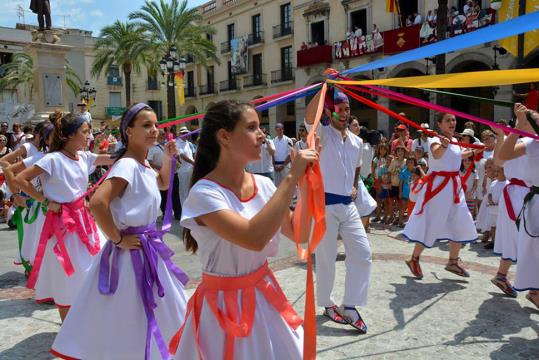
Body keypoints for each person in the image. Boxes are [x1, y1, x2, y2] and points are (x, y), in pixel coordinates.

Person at [170, 101, 317, 359]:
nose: (262, 135)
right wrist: (293, 176)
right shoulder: (204, 193)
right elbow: (253, 238)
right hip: (221, 309)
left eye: (260, 127)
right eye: (252, 128)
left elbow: (299, 234)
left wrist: (307, 185)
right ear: (224, 137)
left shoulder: (264, 184)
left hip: (264, 298)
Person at [51, 103, 188, 359]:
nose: (154, 130)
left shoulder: (143, 165)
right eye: (146, 125)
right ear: (128, 131)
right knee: (131, 314)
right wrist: (118, 238)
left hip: (146, 250)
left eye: (156, 125)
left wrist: (169, 158)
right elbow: (98, 204)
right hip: (131, 255)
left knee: (150, 311)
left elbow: (162, 183)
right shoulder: (127, 165)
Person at [16, 112, 113, 321]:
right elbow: (20, 179)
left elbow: (113, 158)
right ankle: (67, 329)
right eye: (85, 132)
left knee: (95, 267)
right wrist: (44, 201)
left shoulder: (85, 157)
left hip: (85, 223)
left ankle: (86, 322)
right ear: (69, 135)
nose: (89, 137)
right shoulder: (53, 159)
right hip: (62, 227)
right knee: (67, 277)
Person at [305, 89, 371, 333]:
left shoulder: (357, 141)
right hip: (324, 206)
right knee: (326, 258)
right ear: (331, 111)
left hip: (347, 205)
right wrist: (325, 86)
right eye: (340, 109)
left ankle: (350, 305)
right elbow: (311, 116)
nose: (345, 113)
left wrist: (354, 185)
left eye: (348, 109)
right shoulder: (321, 133)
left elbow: (356, 167)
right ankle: (327, 304)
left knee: (363, 253)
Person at [403, 113, 478, 279]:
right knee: (431, 221)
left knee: (461, 220)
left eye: (453, 120)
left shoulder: (455, 142)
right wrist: (444, 145)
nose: (452, 123)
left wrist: (474, 151)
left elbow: (456, 155)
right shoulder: (436, 140)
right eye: (448, 120)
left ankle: (453, 261)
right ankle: (414, 259)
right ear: (439, 124)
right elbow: (437, 154)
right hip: (439, 187)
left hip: (454, 187)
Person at [498, 103, 539, 308]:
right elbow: (501, 158)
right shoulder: (530, 144)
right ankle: (534, 291)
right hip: (533, 201)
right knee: (530, 247)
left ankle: (534, 291)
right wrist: (517, 127)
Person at [176, 126, 195, 206]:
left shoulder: (188, 143)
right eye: (183, 133)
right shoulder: (177, 143)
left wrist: (193, 162)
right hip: (182, 171)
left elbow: (192, 155)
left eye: (187, 133)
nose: (185, 134)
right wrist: (192, 162)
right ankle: (184, 210)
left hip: (190, 169)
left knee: (189, 190)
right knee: (183, 191)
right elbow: (182, 155)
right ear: (180, 134)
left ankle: (189, 208)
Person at [398, 157, 416, 227]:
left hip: (413, 194)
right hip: (405, 193)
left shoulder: (416, 171)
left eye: (411, 162)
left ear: (414, 163)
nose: (409, 164)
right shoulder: (403, 171)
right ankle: (400, 221)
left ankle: (410, 223)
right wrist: (400, 192)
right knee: (403, 207)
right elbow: (400, 183)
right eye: (408, 162)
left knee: (411, 208)